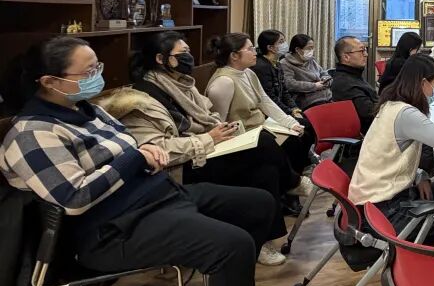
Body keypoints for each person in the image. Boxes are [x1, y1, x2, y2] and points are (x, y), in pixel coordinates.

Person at [0, 37, 285, 286]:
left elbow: (129, 143)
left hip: (156, 196)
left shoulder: (87, 110)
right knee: (232, 244)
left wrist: (146, 153)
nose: (97, 76)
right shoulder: (31, 134)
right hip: (111, 230)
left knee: (258, 204)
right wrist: (135, 159)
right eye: (88, 71)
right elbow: (75, 197)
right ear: (50, 81)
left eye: (97, 67)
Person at [97, 31, 302, 266]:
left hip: (204, 150)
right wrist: (208, 138)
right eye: (182, 53)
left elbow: (209, 113)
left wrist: (218, 130)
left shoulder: (184, 84)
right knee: (263, 145)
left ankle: (262, 240)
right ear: (161, 59)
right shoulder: (141, 99)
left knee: (266, 169)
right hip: (180, 169)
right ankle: (293, 183)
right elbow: (159, 149)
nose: (189, 57)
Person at [348, 54, 434, 245]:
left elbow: (389, 156)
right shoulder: (406, 114)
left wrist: (419, 174)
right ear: (423, 83)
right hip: (385, 208)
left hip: (379, 198)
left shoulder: (391, 105)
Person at [204, 33, 314, 197]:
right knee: (285, 144)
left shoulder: (248, 73)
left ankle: (292, 186)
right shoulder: (223, 82)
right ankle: (292, 184)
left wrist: (290, 122)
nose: (255, 52)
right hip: (243, 136)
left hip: (259, 127)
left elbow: (265, 101)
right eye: (250, 49)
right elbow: (218, 123)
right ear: (234, 56)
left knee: (302, 130)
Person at [330, 36, 378, 132]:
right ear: (346, 57)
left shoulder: (354, 76)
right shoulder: (345, 83)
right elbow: (369, 113)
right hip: (370, 132)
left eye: (365, 50)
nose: (366, 54)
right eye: (361, 51)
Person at [251, 30, 301, 118]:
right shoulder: (261, 67)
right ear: (270, 47)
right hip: (268, 112)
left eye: (284, 41)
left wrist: (294, 108)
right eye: (281, 42)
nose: (285, 44)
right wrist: (290, 112)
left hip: (280, 109)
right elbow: (270, 97)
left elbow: (284, 91)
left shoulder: (277, 64)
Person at [280, 34, 332, 109]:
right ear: (297, 49)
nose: (312, 51)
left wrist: (326, 80)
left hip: (327, 96)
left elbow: (323, 72)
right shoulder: (285, 63)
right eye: (309, 48)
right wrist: (314, 86)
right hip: (308, 101)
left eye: (313, 48)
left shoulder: (310, 60)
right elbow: (290, 84)